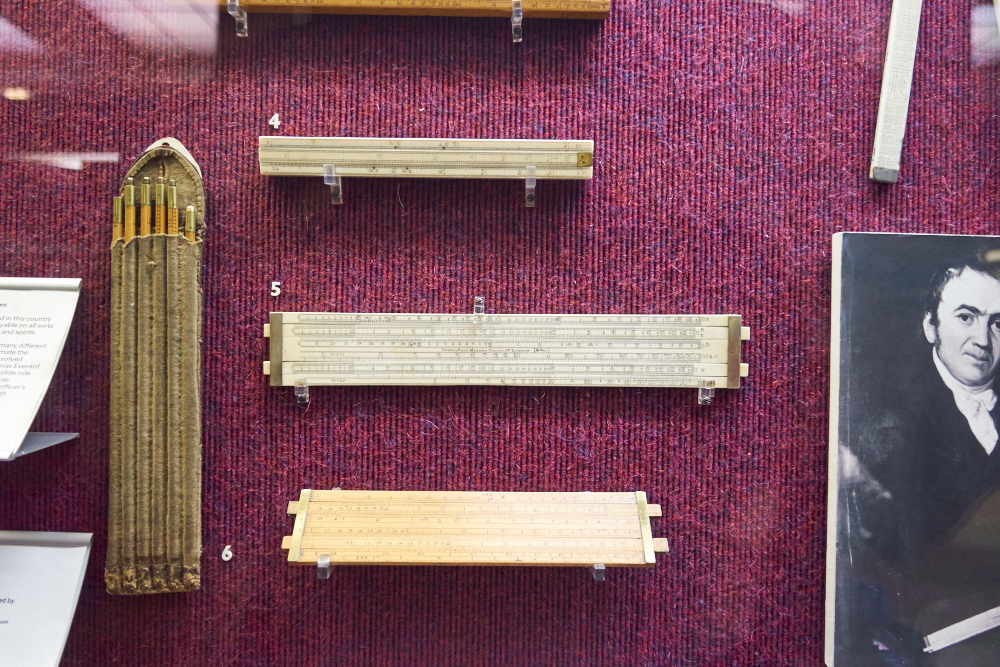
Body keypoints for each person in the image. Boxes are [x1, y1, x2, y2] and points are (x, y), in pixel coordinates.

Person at [836, 255, 1000, 666]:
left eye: (997, 323)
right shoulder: (881, 425)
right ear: (931, 326)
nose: (983, 339)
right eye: (966, 317)